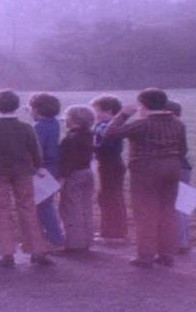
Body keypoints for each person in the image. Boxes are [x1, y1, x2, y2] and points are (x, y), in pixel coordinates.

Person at [103, 88, 187, 268]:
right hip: (172, 166)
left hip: (146, 169)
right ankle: (166, 254)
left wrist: (123, 115)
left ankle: (145, 256)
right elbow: (183, 149)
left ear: (142, 104)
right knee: (167, 211)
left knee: (145, 212)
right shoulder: (178, 123)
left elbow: (110, 134)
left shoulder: (142, 124)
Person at [0, 89, 53, 267]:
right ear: (17, 106)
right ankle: (37, 251)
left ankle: (7, 253)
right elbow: (35, 150)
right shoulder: (26, 127)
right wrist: (38, 166)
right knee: (27, 209)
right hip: (23, 172)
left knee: (2, 211)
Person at [28, 93, 65, 249]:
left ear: (37, 110)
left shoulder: (39, 127)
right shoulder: (54, 123)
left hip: (41, 169)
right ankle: (51, 238)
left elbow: (36, 150)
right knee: (46, 204)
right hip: (53, 167)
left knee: (42, 206)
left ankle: (54, 239)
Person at [58, 105, 96, 253]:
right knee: (85, 207)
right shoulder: (89, 135)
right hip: (87, 172)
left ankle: (74, 243)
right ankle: (87, 240)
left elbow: (68, 161)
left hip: (74, 174)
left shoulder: (70, 139)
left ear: (74, 120)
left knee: (71, 208)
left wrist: (62, 178)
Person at [90, 95, 128, 242]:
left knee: (111, 197)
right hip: (108, 164)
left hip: (111, 164)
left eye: (98, 111)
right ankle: (109, 231)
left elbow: (107, 145)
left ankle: (115, 233)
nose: (95, 114)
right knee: (107, 197)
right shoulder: (102, 124)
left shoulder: (108, 126)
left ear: (110, 111)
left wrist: (92, 148)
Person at [166, 99, 193, 254]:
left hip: (176, 167)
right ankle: (183, 241)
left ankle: (177, 242)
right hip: (185, 167)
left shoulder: (170, 127)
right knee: (183, 207)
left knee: (176, 207)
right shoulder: (180, 125)